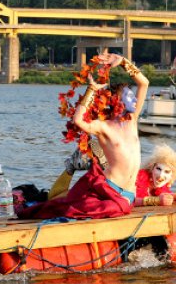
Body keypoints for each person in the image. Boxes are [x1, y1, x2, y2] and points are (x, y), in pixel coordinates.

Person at [18, 52, 148, 220]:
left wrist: (123, 62)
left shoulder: (132, 119)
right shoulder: (104, 127)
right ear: (114, 102)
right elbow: (78, 121)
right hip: (110, 191)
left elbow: (144, 83)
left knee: (123, 206)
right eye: (126, 95)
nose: (132, 99)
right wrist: (92, 89)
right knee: (63, 209)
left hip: (129, 194)